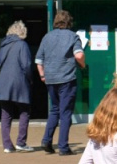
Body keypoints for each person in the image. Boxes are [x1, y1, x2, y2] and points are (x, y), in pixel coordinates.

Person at [35, 10, 85, 155]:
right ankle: (63, 147)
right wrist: (82, 64)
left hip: (50, 79)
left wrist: (43, 76)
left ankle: (46, 140)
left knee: (55, 110)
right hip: (67, 79)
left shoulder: (47, 37)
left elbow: (39, 60)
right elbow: (79, 54)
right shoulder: (73, 36)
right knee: (65, 112)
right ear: (69, 22)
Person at [0, 20, 34, 153]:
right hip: (19, 82)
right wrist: (30, 79)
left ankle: (7, 145)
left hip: (3, 83)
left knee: (6, 114)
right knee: (25, 111)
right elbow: (26, 65)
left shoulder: (3, 45)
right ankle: (21, 142)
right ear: (22, 31)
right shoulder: (22, 45)